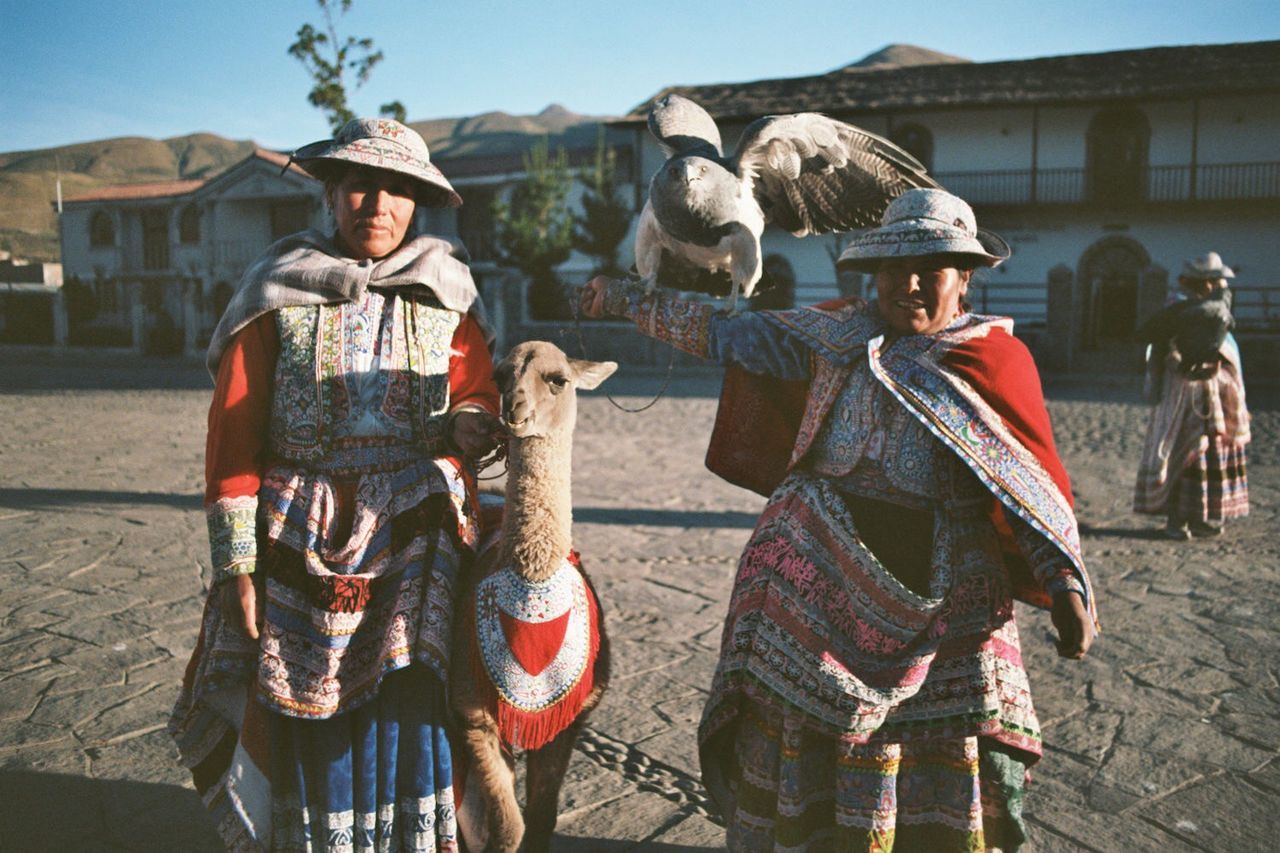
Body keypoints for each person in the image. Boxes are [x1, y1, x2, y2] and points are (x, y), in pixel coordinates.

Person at [580, 187, 1096, 851]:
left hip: (938, 616)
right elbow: (725, 333)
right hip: (810, 598)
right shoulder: (832, 338)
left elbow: (1029, 488)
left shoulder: (989, 361)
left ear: (964, 277)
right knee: (801, 740)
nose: (907, 283)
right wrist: (625, 300)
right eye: (892, 268)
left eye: (931, 269)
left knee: (915, 756)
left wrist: (1065, 585)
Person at [168, 118, 500, 851]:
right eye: (359, 184)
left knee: (416, 698)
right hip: (298, 538)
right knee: (301, 711)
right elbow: (233, 438)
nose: (376, 203)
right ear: (330, 191)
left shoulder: (447, 294)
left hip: (415, 542)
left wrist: (474, 420)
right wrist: (237, 567)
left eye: (396, 190)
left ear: (417, 201)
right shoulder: (274, 294)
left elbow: (475, 392)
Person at [1134, 252, 1250, 539]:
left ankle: (1200, 517)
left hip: (1214, 388)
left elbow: (1226, 343)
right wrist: (1176, 357)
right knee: (1182, 451)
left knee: (1209, 453)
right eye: (1215, 280)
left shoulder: (1218, 311)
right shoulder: (1179, 309)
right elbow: (1158, 340)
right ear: (1205, 282)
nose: (1221, 285)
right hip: (1182, 389)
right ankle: (1176, 519)